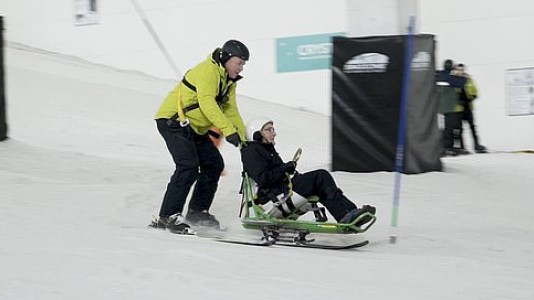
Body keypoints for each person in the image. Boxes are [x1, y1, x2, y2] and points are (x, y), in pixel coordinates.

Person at [154, 40, 249, 233]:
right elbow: (207, 104)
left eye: (244, 64)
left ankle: (197, 212)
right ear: (227, 58)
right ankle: (168, 216)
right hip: (173, 122)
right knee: (188, 166)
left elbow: (231, 111)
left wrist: (245, 141)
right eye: (239, 62)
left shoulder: (228, 82)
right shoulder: (208, 71)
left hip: (194, 128)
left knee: (213, 164)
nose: (241, 67)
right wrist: (228, 131)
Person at [240, 117, 376, 226]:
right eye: (269, 130)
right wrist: (284, 168)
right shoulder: (251, 151)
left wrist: (289, 170)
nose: (274, 133)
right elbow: (263, 178)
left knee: (321, 185)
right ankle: (347, 215)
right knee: (321, 176)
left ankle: (350, 213)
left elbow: (276, 173)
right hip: (272, 200)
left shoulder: (267, 150)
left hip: (281, 192)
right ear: (257, 134)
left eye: (273, 129)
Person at [436, 59, 467, 156]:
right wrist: (463, 76)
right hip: (449, 107)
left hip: (438, 107)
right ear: (452, 67)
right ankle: (447, 148)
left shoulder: (438, 75)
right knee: (448, 129)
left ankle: (441, 148)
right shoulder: (450, 78)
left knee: (441, 129)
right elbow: (461, 82)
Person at [454, 63, 487, 154]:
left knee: (472, 127)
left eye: (462, 70)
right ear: (455, 70)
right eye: (458, 70)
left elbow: (475, 91)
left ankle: (477, 146)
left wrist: (472, 97)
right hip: (458, 108)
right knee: (459, 129)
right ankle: (462, 147)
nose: (460, 71)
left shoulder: (469, 79)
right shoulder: (453, 80)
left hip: (468, 107)